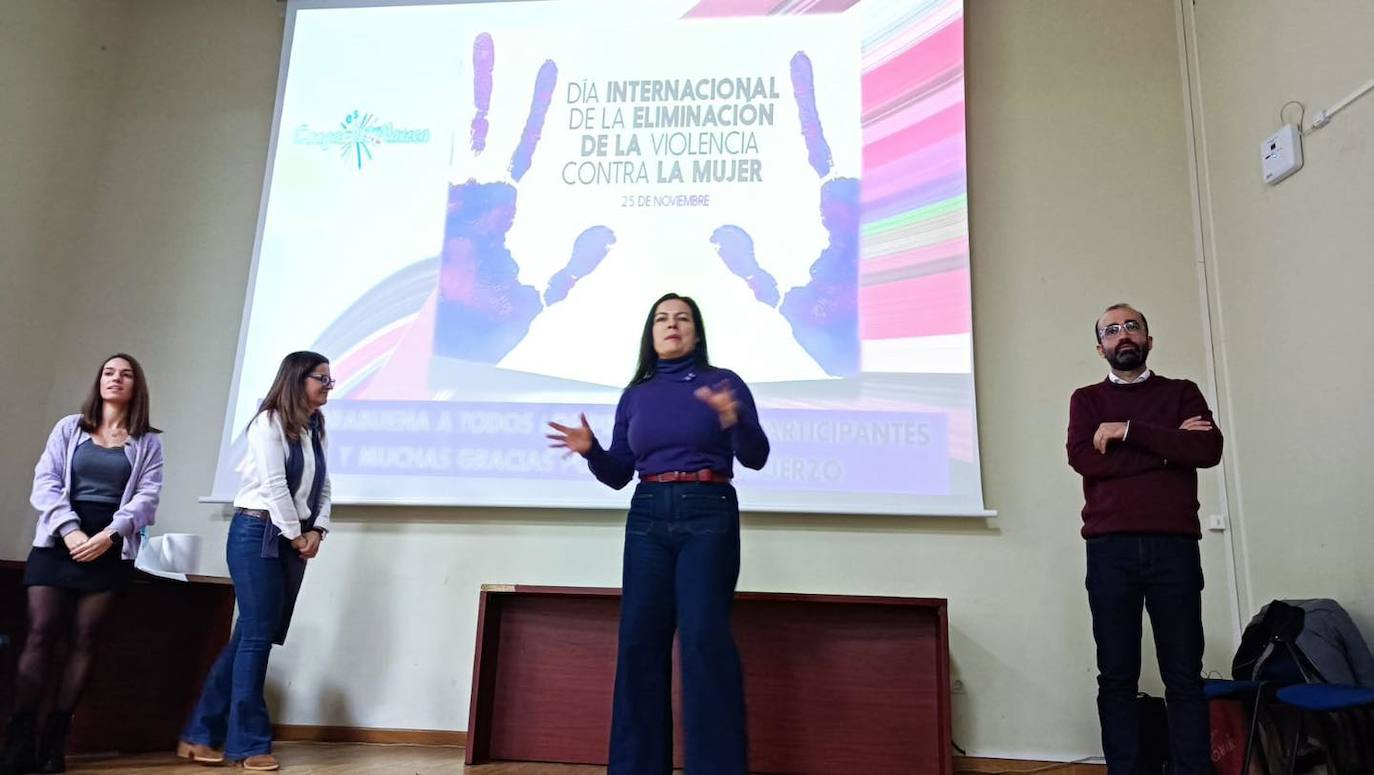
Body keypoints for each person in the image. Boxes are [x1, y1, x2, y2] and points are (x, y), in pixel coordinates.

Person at [547, 293, 769, 775]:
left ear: (696, 330)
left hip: (708, 512)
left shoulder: (723, 383)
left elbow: (756, 456)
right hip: (647, 514)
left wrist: (734, 420)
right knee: (638, 642)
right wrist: (592, 452)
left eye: (682, 318)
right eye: (662, 319)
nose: (672, 325)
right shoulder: (637, 394)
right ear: (651, 333)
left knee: (703, 639)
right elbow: (618, 474)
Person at [1066, 303, 1223, 774]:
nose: (1123, 335)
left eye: (1131, 326)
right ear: (1101, 349)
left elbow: (1208, 449)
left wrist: (1128, 432)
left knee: (1184, 675)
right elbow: (1087, 461)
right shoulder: (1087, 399)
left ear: (1149, 340)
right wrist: (1167, 448)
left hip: (1173, 547)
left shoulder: (1181, 392)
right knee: (1116, 674)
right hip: (1110, 549)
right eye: (1112, 331)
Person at [1, 354, 163, 775]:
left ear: (136, 386)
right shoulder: (69, 428)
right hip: (59, 538)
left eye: (125, 375)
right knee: (39, 634)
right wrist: (71, 530)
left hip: (109, 542)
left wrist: (109, 535)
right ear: (99, 381)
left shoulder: (148, 442)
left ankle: (55, 742)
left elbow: (146, 500)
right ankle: (18, 740)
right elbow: (46, 482)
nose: (116, 379)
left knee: (85, 639)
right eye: (109, 372)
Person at [178, 351, 333, 771]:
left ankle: (197, 734)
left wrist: (318, 529)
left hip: (291, 538)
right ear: (298, 378)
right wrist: (296, 532)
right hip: (257, 533)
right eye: (322, 378)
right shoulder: (268, 422)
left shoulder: (314, 426)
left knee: (251, 633)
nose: (328, 386)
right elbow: (274, 485)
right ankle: (248, 744)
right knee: (257, 637)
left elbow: (323, 484)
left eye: (330, 380)